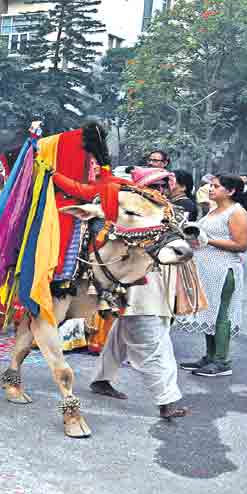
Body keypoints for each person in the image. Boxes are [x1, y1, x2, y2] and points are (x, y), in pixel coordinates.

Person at [89, 168, 192, 419]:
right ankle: (167, 401)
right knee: (153, 342)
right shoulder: (127, 210)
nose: (161, 190)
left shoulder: (167, 212)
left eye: (164, 185)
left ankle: (102, 379)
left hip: (160, 284)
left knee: (123, 334)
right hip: (139, 286)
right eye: (155, 186)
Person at [177, 175, 247, 377]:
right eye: (211, 185)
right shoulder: (214, 209)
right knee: (208, 313)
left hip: (224, 269)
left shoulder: (236, 212)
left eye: (216, 186)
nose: (211, 189)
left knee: (222, 315)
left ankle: (221, 361)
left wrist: (207, 240)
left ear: (231, 191)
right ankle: (209, 357)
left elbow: (241, 245)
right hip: (207, 269)